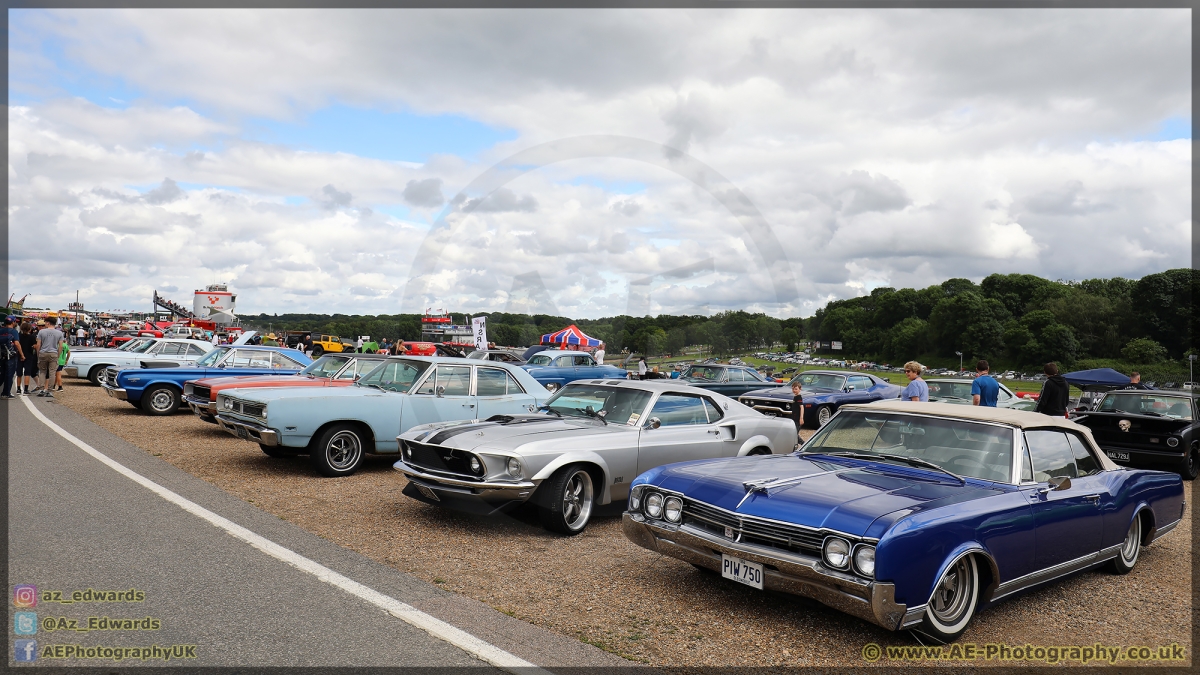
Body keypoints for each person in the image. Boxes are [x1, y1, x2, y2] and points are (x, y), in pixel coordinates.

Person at [35, 316, 65, 399]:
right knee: (52, 372)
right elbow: (61, 346)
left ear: (48, 323)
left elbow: (38, 345)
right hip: (54, 353)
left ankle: (41, 389)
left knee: (42, 371)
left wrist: (38, 354)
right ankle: (50, 390)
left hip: (43, 353)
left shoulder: (41, 332)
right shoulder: (59, 333)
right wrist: (58, 355)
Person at [0, 316, 24, 399]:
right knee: (9, 375)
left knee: (2, 374)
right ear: (13, 322)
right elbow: (17, 343)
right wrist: (22, 354)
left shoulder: (1, 330)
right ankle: (6, 393)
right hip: (11, 355)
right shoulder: (13, 331)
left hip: (2, 355)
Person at [19, 323, 38, 395]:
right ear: (29, 329)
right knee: (27, 373)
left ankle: (18, 389)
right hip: (29, 355)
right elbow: (35, 346)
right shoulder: (32, 337)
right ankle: (26, 389)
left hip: (19, 356)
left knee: (19, 373)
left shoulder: (19, 336)